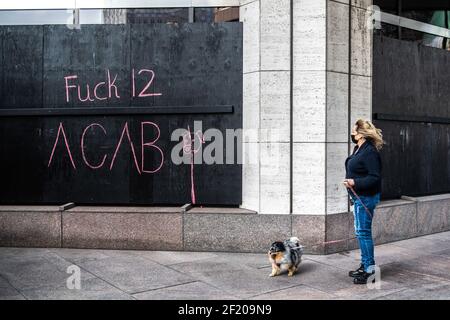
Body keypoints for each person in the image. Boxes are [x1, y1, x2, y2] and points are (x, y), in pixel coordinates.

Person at [343, 119, 383, 285]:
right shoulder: (359, 148)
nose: (352, 133)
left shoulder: (370, 152)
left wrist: (355, 182)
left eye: (354, 131)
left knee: (363, 233)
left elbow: (375, 177)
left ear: (361, 134)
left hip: (365, 198)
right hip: (359, 197)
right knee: (361, 232)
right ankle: (365, 264)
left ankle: (370, 271)